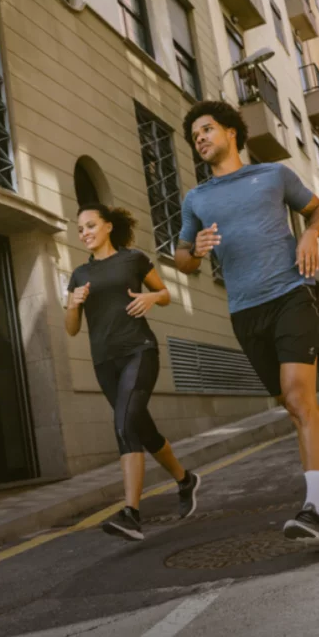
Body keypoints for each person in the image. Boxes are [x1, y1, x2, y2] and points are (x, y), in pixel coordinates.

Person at [175, 101, 319, 547]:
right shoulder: (196, 199)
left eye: (206, 129)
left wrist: (308, 233)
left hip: (290, 298)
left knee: (301, 400)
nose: (199, 138)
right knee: (292, 405)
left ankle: (314, 512)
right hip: (245, 312)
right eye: (194, 135)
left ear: (231, 133)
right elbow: (181, 259)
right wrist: (196, 251)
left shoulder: (273, 175)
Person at [66, 203, 201, 541]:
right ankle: (186, 480)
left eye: (90, 225)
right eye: (80, 228)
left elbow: (166, 293)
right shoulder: (79, 275)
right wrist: (72, 304)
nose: (84, 233)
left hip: (139, 351)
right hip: (104, 363)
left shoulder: (133, 260)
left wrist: (151, 298)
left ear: (108, 226)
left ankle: (131, 514)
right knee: (142, 428)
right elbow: (71, 329)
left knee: (124, 424)